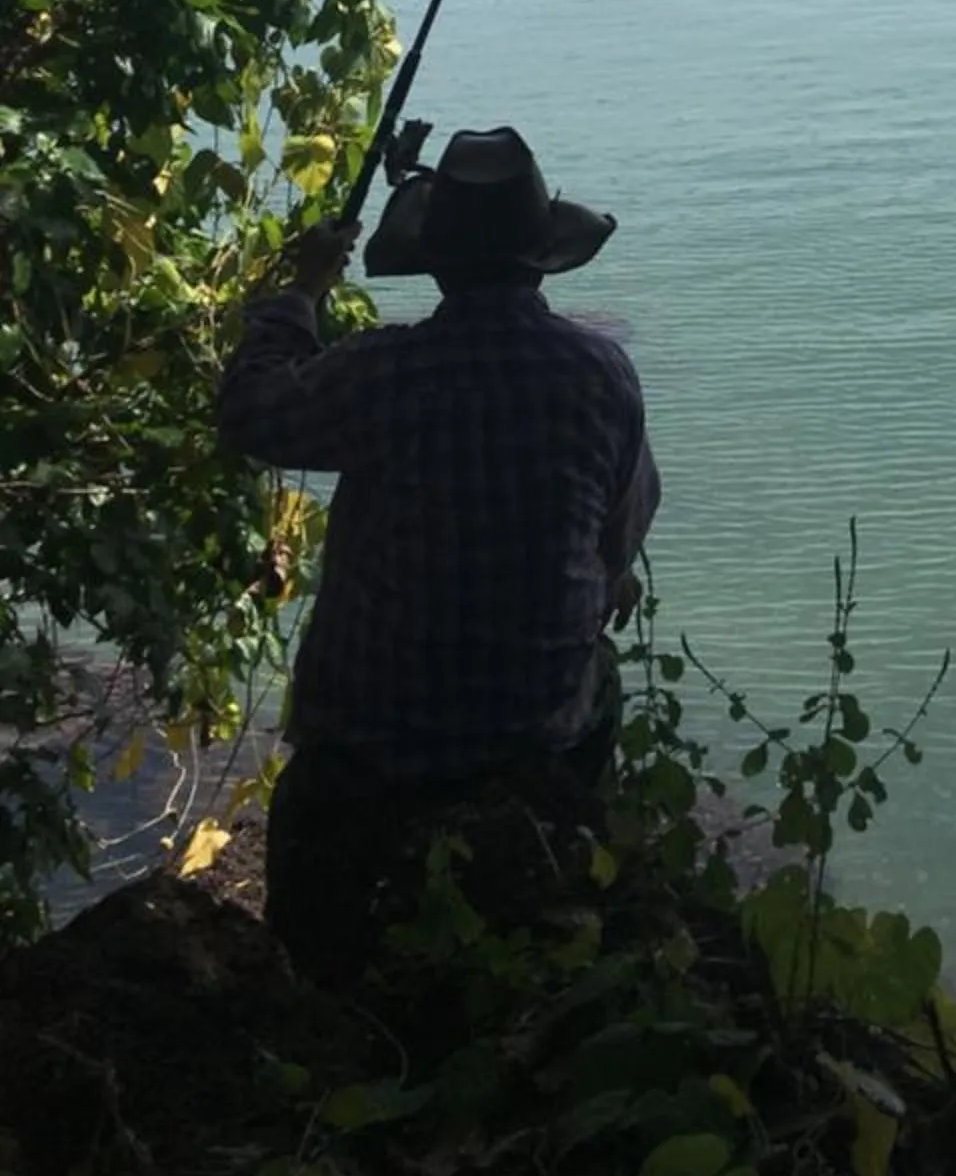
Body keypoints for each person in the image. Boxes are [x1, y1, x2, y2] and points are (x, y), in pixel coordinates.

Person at [218, 124, 660, 977]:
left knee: (311, 851)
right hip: (530, 729)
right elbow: (619, 537)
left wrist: (301, 294)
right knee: (595, 672)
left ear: (435, 263)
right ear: (542, 259)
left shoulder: (384, 371)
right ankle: (561, 845)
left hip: (372, 736)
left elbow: (251, 415)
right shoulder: (602, 373)